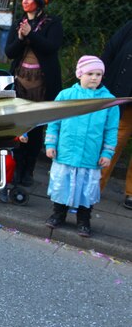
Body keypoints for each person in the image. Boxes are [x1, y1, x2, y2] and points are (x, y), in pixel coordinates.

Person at [44, 56, 119, 237]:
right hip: (66, 151)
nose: (94, 77)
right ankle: (58, 214)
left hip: (90, 154)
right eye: (90, 73)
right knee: (62, 184)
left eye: (98, 74)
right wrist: (50, 143)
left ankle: (84, 219)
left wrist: (107, 153)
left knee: (87, 188)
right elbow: (54, 121)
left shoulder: (108, 101)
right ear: (80, 74)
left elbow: (111, 129)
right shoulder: (66, 96)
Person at [5, 0, 62, 186]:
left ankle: (28, 169)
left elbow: (51, 47)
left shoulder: (52, 23)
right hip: (20, 81)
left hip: (42, 84)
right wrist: (20, 38)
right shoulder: (18, 23)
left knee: (36, 126)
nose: (25, 1)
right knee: (18, 125)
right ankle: (16, 167)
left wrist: (32, 35)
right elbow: (9, 53)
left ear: (39, 1)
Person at [99, 21, 132, 210]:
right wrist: (99, 75)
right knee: (114, 141)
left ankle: (131, 193)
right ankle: (96, 185)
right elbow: (110, 49)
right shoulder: (129, 27)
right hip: (124, 95)